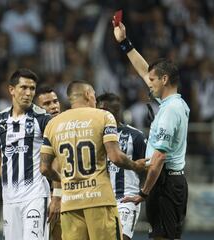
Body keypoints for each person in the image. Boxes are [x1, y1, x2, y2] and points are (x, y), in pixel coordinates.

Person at [40, 80, 147, 240]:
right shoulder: (103, 116)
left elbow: (44, 168)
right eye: (95, 96)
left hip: (70, 202)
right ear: (88, 95)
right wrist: (135, 165)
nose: (95, 100)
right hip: (99, 200)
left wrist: (64, 180)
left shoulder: (53, 124)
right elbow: (115, 156)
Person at [113, 18, 189, 240]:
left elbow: (158, 159)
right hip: (164, 182)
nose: (148, 82)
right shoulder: (172, 104)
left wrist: (143, 193)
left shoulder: (170, 111)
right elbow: (144, 71)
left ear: (164, 80)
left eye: (153, 80)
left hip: (165, 183)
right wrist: (124, 43)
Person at [0, 69, 57, 240]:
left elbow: (56, 159)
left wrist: (57, 195)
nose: (28, 93)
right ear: (11, 90)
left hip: (36, 196)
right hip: (9, 198)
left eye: (32, 88)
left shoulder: (43, 119)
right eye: (24, 87)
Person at [97, 93, 147, 240]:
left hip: (126, 197)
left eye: (105, 110)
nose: (101, 114)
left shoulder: (136, 136)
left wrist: (143, 192)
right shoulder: (92, 136)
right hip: (99, 199)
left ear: (116, 111)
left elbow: (146, 167)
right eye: (99, 110)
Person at [34, 86, 62, 240]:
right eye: (47, 104)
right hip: (39, 195)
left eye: (55, 101)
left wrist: (57, 197)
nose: (53, 106)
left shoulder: (64, 126)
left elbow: (59, 162)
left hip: (62, 194)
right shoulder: (33, 130)